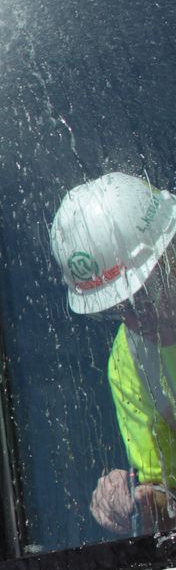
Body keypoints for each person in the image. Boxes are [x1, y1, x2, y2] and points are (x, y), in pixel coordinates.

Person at [51, 171, 176, 535]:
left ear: (169, 254)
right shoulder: (130, 363)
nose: (135, 320)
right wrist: (143, 501)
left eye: (141, 295)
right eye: (118, 308)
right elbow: (169, 491)